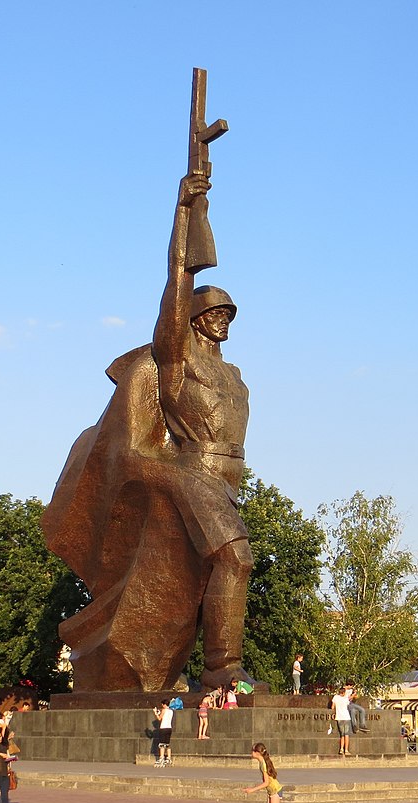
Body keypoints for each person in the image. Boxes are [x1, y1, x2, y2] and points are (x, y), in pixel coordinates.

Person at [43, 172, 255, 692]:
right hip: (191, 473)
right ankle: (223, 670)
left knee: (193, 582)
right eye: (214, 312)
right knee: (235, 556)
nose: (223, 319)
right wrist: (186, 214)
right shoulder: (177, 362)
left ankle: (178, 671)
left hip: (228, 478)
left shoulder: (234, 375)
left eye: (229, 312)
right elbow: (176, 287)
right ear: (195, 320)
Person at [331, 687, 352, 756]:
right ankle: (346, 750)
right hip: (346, 717)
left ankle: (341, 749)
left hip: (339, 717)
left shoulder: (335, 697)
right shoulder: (345, 698)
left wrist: (333, 714)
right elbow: (348, 705)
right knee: (346, 734)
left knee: (342, 734)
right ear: (344, 692)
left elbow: (332, 707)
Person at [153, 700, 174, 767]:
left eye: (162, 704)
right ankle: (169, 758)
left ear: (164, 704)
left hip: (163, 728)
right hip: (169, 728)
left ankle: (161, 758)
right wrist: (159, 712)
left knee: (162, 744)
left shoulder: (164, 710)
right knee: (167, 744)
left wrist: (155, 713)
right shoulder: (171, 711)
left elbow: (159, 718)